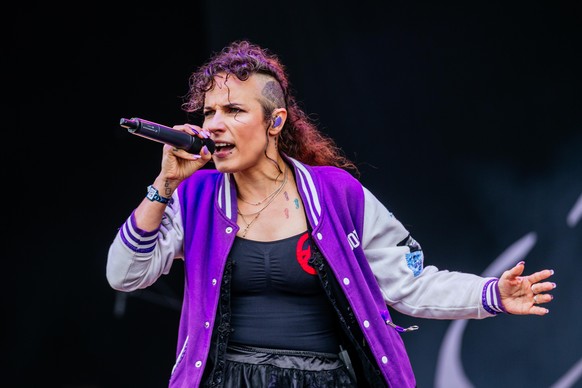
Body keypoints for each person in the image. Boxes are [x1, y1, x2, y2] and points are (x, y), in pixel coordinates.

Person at [106, 40, 556, 388]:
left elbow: (412, 282)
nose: (214, 125)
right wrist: (164, 185)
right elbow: (124, 275)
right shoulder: (195, 196)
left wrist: (492, 293)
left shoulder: (337, 195)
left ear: (275, 121)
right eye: (209, 112)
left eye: (234, 110)